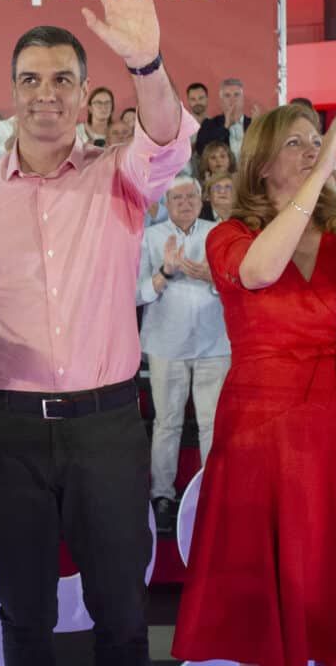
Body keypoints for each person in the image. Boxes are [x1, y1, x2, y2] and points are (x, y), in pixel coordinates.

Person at [0, 0, 199, 666]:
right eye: (31, 81)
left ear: (85, 92)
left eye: (62, 79)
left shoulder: (121, 176)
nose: (46, 94)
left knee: (124, 616)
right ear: (11, 92)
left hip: (106, 428)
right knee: (25, 617)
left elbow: (166, 137)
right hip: (8, 429)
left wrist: (147, 61)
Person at [173, 97, 336, 665]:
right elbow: (261, 270)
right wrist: (321, 171)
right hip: (262, 429)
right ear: (262, 162)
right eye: (298, 143)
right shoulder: (228, 235)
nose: (314, 151)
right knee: (265, 581)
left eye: (319, 142)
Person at [135, 175, 229, 535]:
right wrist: (164, 274)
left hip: (214, 343)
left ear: (202, 199)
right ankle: (162, 495)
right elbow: (136, 293)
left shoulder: (218, 234)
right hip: (166, 344)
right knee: (167, 423)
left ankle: (211, 492)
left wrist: (212, 276)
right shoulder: (152, 237)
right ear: (167, 202)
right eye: (177, 198)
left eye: (191, 196)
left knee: (212, 424)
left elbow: (239, 283)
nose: (185, 203)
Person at [194, 78, 250, 162]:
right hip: (220, 174)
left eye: (236, 95)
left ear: (242, 99)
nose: (232, 100)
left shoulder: (254, 124)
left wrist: (257, 129)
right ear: (221, 101)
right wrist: (225, 127)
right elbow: (202, 151)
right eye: (227, 95)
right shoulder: (209, 125)